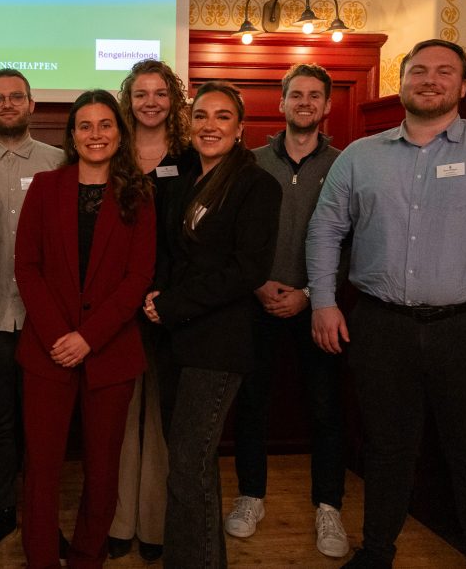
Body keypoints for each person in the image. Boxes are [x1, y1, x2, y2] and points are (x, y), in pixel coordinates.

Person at [306, 39, 466, 568]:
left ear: (463, 86)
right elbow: (325, 230)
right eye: (418, 70)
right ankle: (376, 553)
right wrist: (324, 302)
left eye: (444, 71)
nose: (430, 79)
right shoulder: (360, 157)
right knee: (385, 453)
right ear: (401, 83)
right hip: (381, 327)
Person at [16, 89, 156, 569]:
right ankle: (39, 557)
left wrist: (88, 338)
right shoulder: (44, 187)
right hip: (47, 352)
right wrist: (62, 338)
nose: (95, 135)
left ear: (119, 133)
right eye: (85, 126)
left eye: (105, 125)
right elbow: (27, 268)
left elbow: (138, 277)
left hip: (110, 353)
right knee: (42, 469)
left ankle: (86, 557)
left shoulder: (139, 193)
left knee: (102, 471)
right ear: (72, 135)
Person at [144, 81, 282, 568]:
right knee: (187, 467)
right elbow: (166, 253)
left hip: (219, 344)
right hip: (173, 340)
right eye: (201, 115)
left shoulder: (256, 185)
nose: (210, 125)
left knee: (190, 463)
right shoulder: (181, 181)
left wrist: (173, 302)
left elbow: (247, 272)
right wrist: (155, 298)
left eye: (223, 117)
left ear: (241, 128)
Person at [224, 63, 349, 557]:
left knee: (325, 407)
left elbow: (358, 241)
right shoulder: (248, 163)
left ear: (326, 105)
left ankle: (329, 507)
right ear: (280, 103)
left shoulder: (346, 163)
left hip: (319, 306)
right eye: (296, 94)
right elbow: (231, 235)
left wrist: (312, 294)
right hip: (255, 302)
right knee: (252, 405)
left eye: (315, 96)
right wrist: (256, 284)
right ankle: (250, 496)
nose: (305, 103)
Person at [0, 68, 64, 562]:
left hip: (46, 321)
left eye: (15, 97)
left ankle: (43, 518)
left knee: (44, 426)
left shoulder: (61, 163)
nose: (6, 105)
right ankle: (3, 510)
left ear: (32, 104)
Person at [109, 59, 190, 563]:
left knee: (162, 419)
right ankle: (119, 520)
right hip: (117, 303)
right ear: (129, 101)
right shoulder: (111, 153)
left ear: (173, 100)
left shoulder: (189, 155)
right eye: (141, 94)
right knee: (119, 414)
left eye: (161, 93)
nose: (151, 102)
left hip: (169, 304)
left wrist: (168, 296)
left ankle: (155, 521)